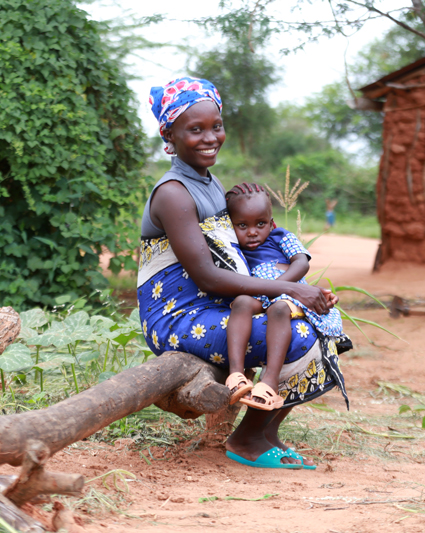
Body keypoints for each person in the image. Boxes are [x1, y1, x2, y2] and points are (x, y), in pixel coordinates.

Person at [139, 76, 351, 469]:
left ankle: (266, 433)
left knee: (327, 322)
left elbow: (246, 244)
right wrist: (291, 292)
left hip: (216, 305)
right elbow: (207, 277)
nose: (209, 138)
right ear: (169, 134)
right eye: (195, 129)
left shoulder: (209, 182)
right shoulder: (173, 193)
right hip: (180, 316)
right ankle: (249, 439)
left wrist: (292, 286)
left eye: (215, 126)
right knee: (300, 334)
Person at [224, 184, 348, 412]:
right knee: (241, 303)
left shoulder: (280, 237)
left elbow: (301, 262)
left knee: (279, 309)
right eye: (242, 225)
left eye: (260, 224)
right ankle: (236, 376)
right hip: (259, 296)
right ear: (231, 227)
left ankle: (269, 381)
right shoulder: (233, 249)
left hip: (290, 294)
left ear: (271, 223)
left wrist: (279, 287)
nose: (252, 232)